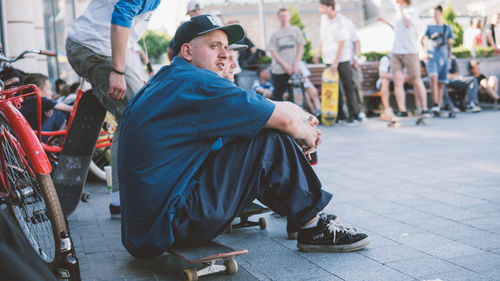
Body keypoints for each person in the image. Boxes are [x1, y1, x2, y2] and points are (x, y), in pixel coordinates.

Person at [118, 15, 370, 258]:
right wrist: (304, 131)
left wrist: (296, 122)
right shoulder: (198, 83)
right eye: (214, 46)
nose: (225, 54)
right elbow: (280, 118)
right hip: (173, 223)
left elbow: (258, 115)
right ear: (187, 52)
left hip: (149, 228)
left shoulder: (167, 80)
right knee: (269, 140)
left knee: (259, 129)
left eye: (226, 47)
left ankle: (300, 214)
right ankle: (311, 226)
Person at [65, 0, 161, 219]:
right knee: (140, 112)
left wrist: (136, 76)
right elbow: (121, 16)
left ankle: (120, 198)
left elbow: (130, 36)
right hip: (93, 48)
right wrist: (117, 71)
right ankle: (128, 197)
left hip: (96, 48)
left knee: (129, 114)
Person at [378, 0, 430, 117]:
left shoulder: (412, 11)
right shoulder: (398, 13)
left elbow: (408, 24)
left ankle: (425, 108)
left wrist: (401, 11)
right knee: (397, 80)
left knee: (416, 79)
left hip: (409, 51)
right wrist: (386, 22)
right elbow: (398, 30)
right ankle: (403, 110)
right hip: (396, 51)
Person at [314, 0, 361, 124]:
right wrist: (318, 52)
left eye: (322, 7)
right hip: (329, 59)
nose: (320, 9)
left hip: (342, 59)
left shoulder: (342, 21)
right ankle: (340, 115)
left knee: (348, 86)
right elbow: (322, 38)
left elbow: (342, 42)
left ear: (330, 7)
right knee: (334, 88)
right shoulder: (324, 19)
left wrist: (336, 62)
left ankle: (354, 114)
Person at [421, 5, 454, 115]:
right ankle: (435, 103)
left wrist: (450, 56)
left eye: (434, 13)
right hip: (432, 57)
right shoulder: (428, 27)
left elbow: (450, 44)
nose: (433, 16)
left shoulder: (447, 27)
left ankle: (438, 106)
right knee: (433, 78)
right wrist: (424, 53)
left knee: (441, 82)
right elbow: (421, 40)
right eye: (432, 14)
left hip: (443, 58)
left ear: (440, 13)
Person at [268, 8, 306, 102]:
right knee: (278, 95)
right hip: (279, 70)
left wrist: (296, 64)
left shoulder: (295, 30)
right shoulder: (275, 33)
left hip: (294, 69)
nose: (283, 18)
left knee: (297, 95)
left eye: (285, 15)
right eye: (281, 16)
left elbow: (301, 47)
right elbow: (273, 51)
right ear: (278, 17)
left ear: (289, 17)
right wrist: (285, 65)